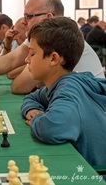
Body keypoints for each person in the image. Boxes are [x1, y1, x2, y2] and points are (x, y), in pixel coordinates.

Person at [0, 0, 105, 93]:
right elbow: (13, 59)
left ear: (48, 17)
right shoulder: (44, 36)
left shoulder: (56, 40)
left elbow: (19, 86)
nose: (23, 21)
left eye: (29, 16)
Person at [21, 16, 106, 167]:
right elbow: (32, 97)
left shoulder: (68, 90)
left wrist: (36, 120)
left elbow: (52, 128)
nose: (27, 59)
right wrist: (32, 108)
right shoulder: (60, 84)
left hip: (95, 175)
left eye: (32, 53)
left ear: (53, 59)